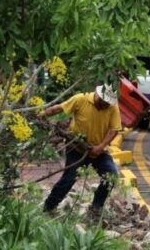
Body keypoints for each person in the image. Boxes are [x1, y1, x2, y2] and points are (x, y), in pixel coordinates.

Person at [41, 84, 121, 216]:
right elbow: (59, 108)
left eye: (108, 103)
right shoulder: (80, 99)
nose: (106, 105)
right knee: (69, 179)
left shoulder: (113, 107)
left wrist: (100, 148)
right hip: (76, 148)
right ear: (98, 96)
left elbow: (114, 129)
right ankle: (48, 207)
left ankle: (96, 207)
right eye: (104, 102)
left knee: (111, 176)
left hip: (98, 151)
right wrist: (42, 115)